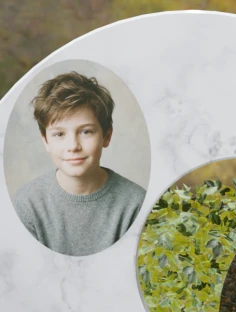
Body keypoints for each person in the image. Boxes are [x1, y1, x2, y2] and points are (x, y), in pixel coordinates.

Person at [13, 71, 146, 256]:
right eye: (59, 134)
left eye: (86, 132)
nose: (73, 146)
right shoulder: (27, 204)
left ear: (107, 136)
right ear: (46, 141)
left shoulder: (136, 204)